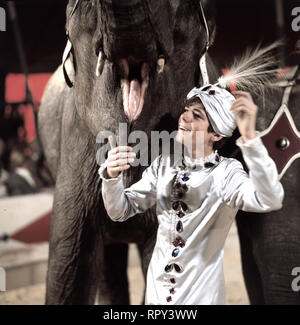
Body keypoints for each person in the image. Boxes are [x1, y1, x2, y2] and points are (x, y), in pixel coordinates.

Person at [98, 84, 284, 305]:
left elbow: (269, 198)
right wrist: (111, 175)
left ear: (215, 134)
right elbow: (119, 211)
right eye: (186, 109)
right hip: (157, 295)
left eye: (196, 115)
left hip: (201, 297)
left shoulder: (226, 173)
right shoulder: (164, 165)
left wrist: (251, 140)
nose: (184, 117)